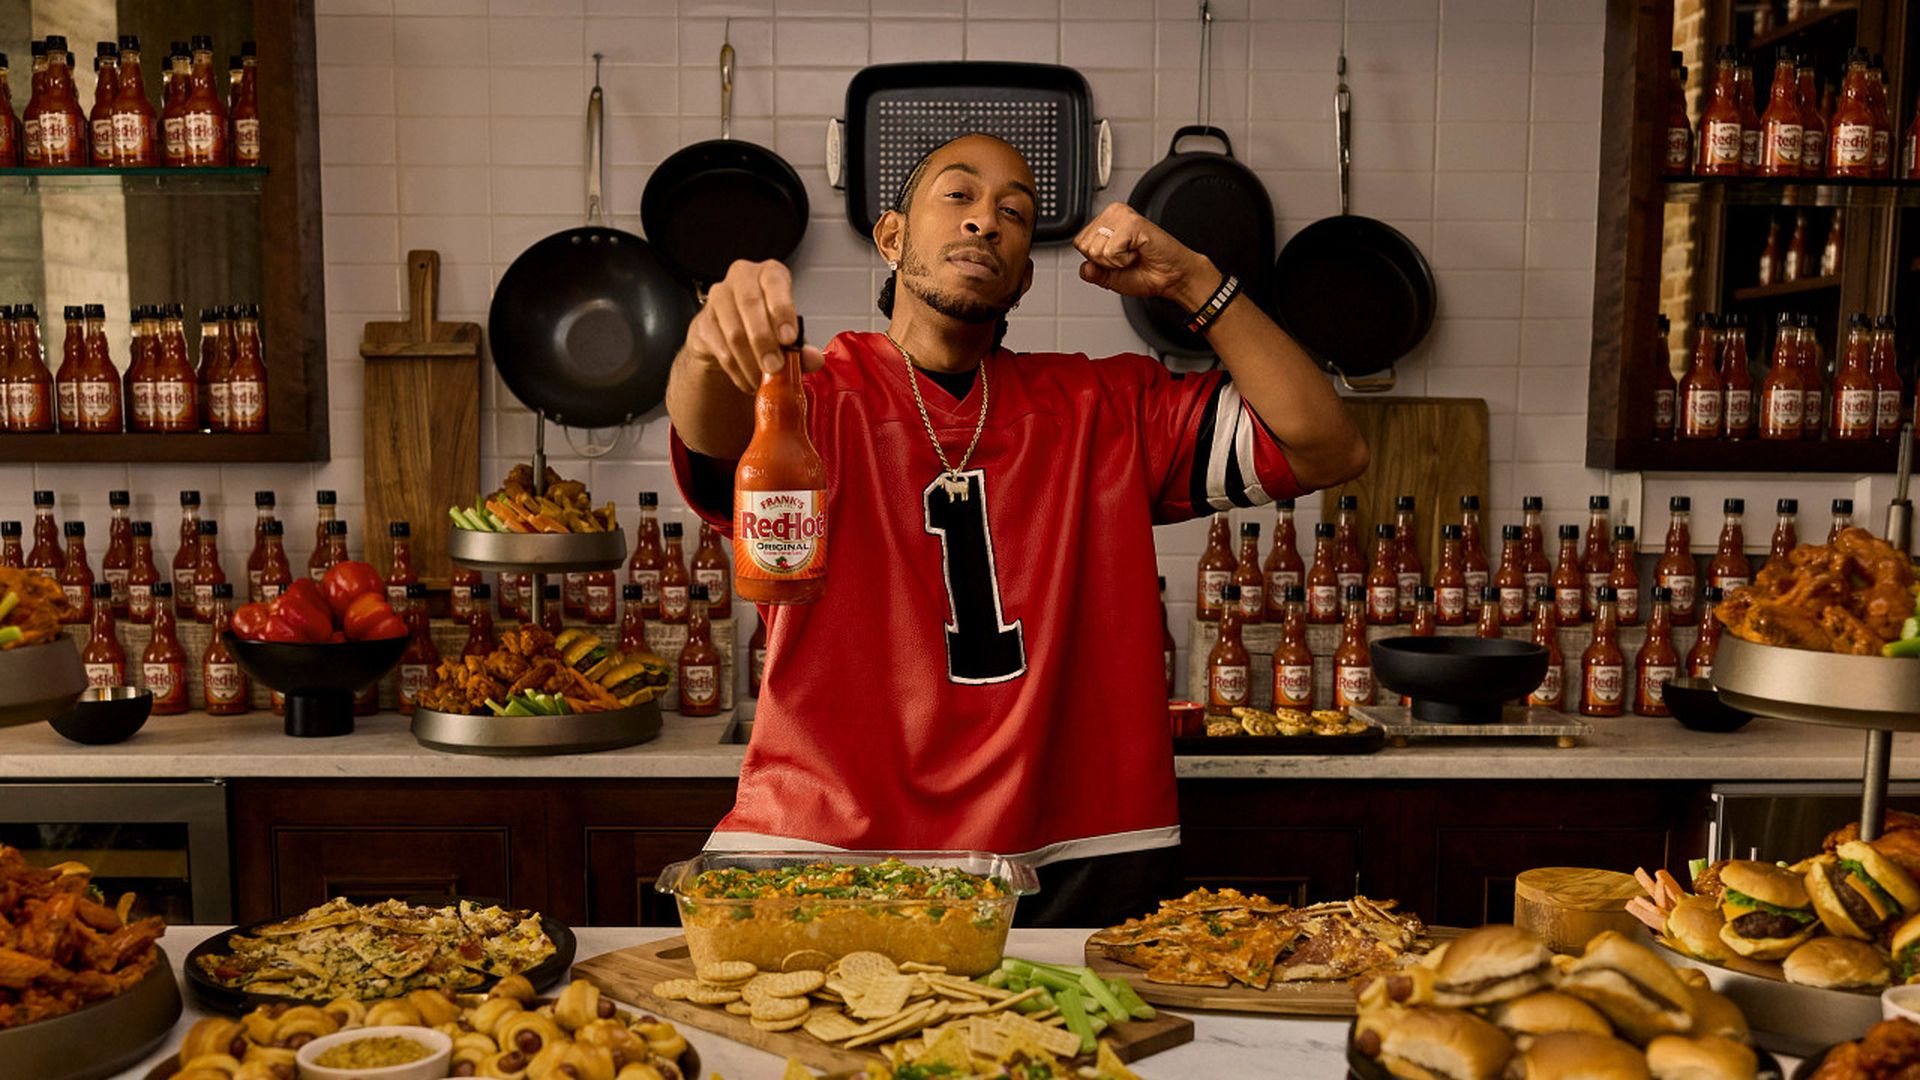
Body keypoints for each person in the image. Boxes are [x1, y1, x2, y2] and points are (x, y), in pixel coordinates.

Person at [665, 133, 1366, 927]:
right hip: (826, 847)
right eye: (958, 196)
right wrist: (706, 346)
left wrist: (1191, 279)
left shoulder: (1105, 407)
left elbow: (1328, 444)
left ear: (1026, 276)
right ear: (892, 238)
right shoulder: (814, 391)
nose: (985, 222)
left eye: (1015, 213)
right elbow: (710, 429)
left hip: (1070, 853)